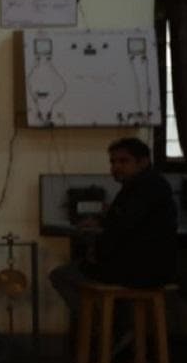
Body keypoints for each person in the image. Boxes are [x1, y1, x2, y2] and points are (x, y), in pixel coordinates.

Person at [48, 136, 179, 327]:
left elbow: (122, 229)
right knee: (90, 268)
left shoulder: (142, 188)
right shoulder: (148, 185)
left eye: (123, 161)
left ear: (143, 162)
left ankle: (102, 330)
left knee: (61, 275)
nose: (116, 166)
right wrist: (102, 223)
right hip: (152, 268)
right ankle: (117, 330)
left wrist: (96, 252)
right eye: (113, 161)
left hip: (138, 270)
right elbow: (126, 223)